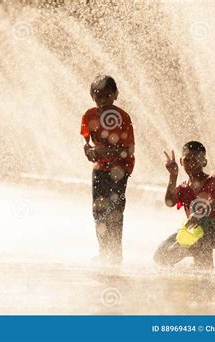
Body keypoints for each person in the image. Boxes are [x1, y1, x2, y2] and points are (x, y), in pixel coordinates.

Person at [80, 75, 135, 264]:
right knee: (98, 210)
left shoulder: (122, 118)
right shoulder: (90, 115)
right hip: (100, 169)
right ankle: (104, 251)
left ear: (115, 95)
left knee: (115, 210)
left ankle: (116, 254)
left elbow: (129, 148)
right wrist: (87, 147)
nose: (102, 100)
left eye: (107, 95)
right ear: (92, 96)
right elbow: (84, 136)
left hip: (120, 170)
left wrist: (107, 150)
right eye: (98, 96)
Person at [154, 141, 215, 269]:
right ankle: (200, 265)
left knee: (202, 230)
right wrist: (173, 176)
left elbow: (214, 202)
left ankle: (202, 264)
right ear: (181, 161)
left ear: (204, 162)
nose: (192, 163)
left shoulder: (213, 180)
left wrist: (198, 215)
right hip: (193, 231)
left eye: (197, 159)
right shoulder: (184, 187)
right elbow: (169, 202)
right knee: (160, 256)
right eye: (188, 159)